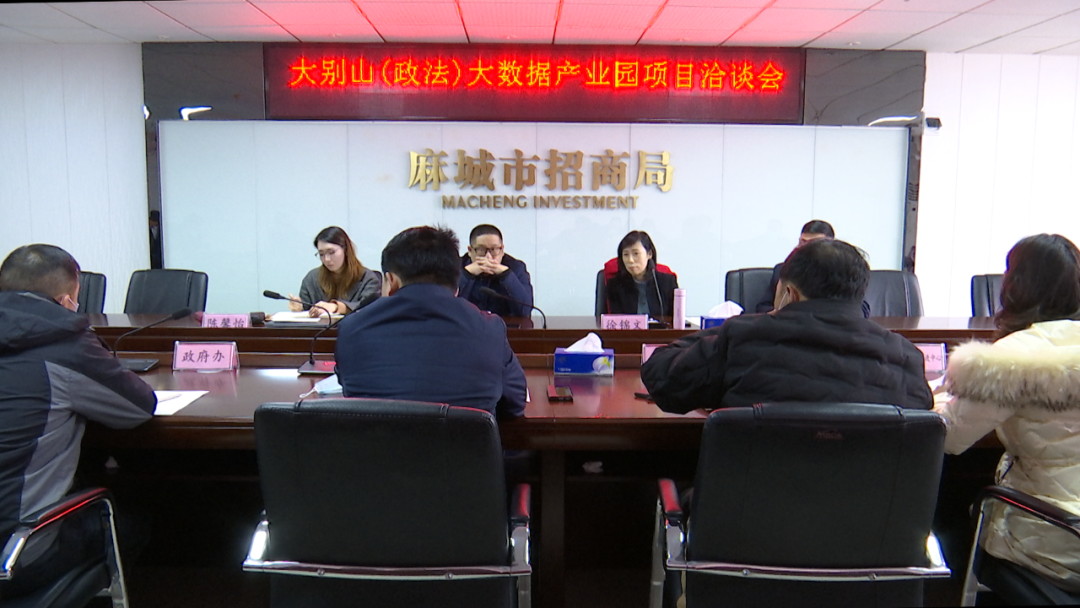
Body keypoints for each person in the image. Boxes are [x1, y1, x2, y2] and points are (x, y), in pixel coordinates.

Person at [0, 244, 156, 598]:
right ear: (66, 300)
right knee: (132, 524)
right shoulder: (62, 341)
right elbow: (138, 407)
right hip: (16, 554)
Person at [934, 234, 1080, 590]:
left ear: (1015, 285)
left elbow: (949, 438)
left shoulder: (1012, 358)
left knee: (947, 513)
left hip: (1053, 536)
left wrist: (934, 399)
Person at [642, 238, 931, 414]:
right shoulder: (905, 357)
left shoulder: (744, 338)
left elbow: (662, 377)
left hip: (753, 498)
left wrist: (738, 327)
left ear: (789, 294)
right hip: (867, 500)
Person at [335, 226, 526, 420]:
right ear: (456, 286)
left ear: (391, 282)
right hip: (463, 439)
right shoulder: (490, 329)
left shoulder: (352, 329)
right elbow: (516, 402)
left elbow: (350, 392)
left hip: (379, 439)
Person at [288, 226, 381, 316]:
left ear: (345, 249)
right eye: (321, 254)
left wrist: (336, 307)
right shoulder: (312, 278)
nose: (327, 259)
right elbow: (306, 311)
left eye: (331, 252)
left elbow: (370, 309)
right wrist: (299, 308)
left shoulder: (367, 278)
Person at [457, 224, 533, 317]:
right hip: (465, 324)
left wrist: (506, 275)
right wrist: (466, 274)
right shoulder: (457, 266)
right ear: (470, 250)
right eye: (481, 250)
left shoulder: (516, 267)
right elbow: (445, 305)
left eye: (494, 249)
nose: (488, 257)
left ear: (502, 250)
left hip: (504, 324)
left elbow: (525, 311)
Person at [605, 231, 678, 317]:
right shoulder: (615, 285)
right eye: (626, 254)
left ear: (649, 254)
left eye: (636, 253)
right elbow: (617, 320)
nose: (630, 260)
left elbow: (676, 318)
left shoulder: (668, 282)